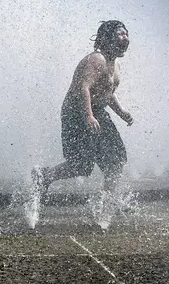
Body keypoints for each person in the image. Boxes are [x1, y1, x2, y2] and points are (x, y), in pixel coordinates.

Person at [32, 20, 134, 200]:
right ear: (107, 38)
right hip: (77, 112)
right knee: (81, 165)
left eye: (126, 34)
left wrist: (121, 112)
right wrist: (88, 116)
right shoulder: (96, 59)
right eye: (120, 34)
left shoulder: (115, 64)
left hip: (97, 113)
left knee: (116, 161)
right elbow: (84, 87)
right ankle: (44, 176)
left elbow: (107, 93)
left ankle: (107, 202)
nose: (125, 37)